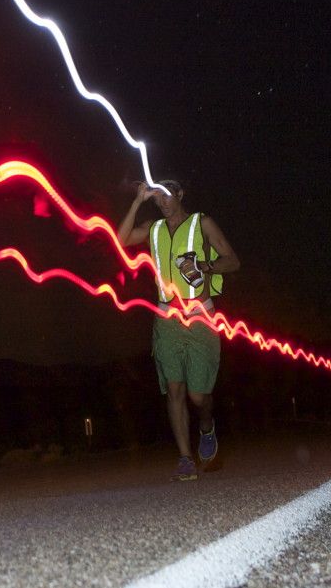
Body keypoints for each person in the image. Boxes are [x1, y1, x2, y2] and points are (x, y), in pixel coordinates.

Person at [117, 179, 240, 481]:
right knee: (174, 389)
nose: (163, 203)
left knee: (199, 397)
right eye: (157, 198)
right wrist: (137, 201)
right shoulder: (154, 229)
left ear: (182, 194)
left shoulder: (202, 223)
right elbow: (121, 240)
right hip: (166, 319)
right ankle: (185, 457)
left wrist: (204, 266)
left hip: (200, 317)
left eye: (168, 196)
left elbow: (233, 261)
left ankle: (207, 426)